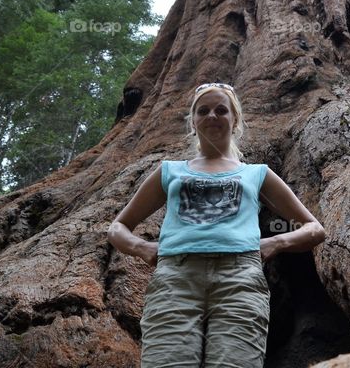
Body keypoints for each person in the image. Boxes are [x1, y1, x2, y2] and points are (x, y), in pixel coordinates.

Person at [107, 82, 326, 368]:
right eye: (203, 110)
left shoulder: (257, 174)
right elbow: (118, 228)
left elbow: (313, 228)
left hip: (239, 280)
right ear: (193, 121)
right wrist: (143, 248)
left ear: (235, 121)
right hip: (176, 278)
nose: (212, 115)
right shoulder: (169, 171)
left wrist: (274, 242)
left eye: (222, 110)